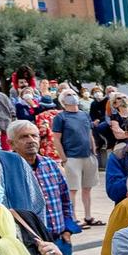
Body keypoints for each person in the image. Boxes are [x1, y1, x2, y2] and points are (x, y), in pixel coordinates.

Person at [10, 118, 82, 255]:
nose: (31, 140)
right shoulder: (8, 170)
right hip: (32, 246)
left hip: (59, 240)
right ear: (11, 143)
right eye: (24, 137)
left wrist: (68, 229)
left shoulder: (50, 164)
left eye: (34, 136)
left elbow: (65, 199)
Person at [51, 91, 101, 226]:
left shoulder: (84, 115)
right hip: (72, 157)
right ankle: (73, 218)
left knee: (87, 188)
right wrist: (64, 158)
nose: (72, 96)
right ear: (63, 101)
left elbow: (89, 133)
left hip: (88, 156)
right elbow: (56, 139)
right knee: (72, 190)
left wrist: (93, 150)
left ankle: (88, 216)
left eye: (72, 94)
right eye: (68, 95)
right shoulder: (60, 117)